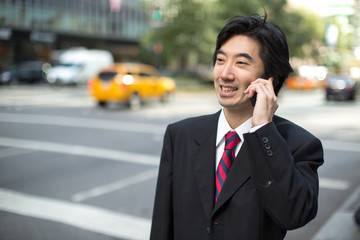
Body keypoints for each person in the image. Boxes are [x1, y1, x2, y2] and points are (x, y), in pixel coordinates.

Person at [150, 13, 324, 240]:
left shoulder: (298, 144)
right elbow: (163, 225)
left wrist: (263, 130)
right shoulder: (180, 135)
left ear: (269, 78)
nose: (225, 74)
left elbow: (295, 214)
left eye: (241, 63)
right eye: (221, 60)